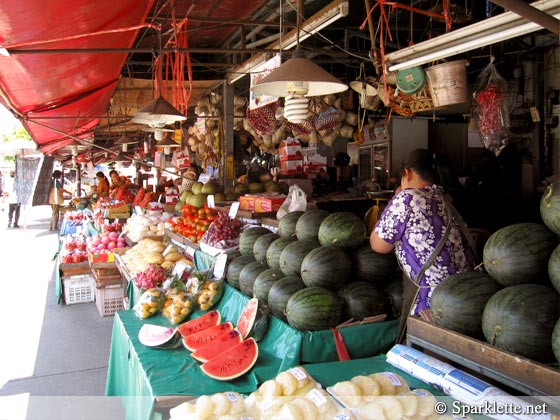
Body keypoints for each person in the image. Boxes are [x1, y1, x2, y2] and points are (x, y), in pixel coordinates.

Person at [369, 149, 476, 341]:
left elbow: (379, 245)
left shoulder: (408, 198)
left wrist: (396, 198)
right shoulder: (445, 198)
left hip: (433, 303)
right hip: (463, 294)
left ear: (408, 173)